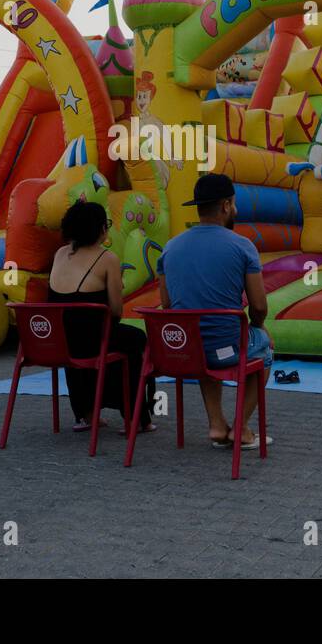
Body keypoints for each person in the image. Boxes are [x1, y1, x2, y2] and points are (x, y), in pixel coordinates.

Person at [157, 173, 272, 449]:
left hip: (182, 350)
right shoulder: (243, 246)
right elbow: (258, 306)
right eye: (234, 204)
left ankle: (217, 425)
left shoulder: (170, 248)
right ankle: (241, 428)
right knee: (264, 348)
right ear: (225, 206)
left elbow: (167, 306)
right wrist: (259, 327)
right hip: (226, 348)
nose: (236, 209)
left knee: (202, 342)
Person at [47, 201, 154, 434]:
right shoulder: (107, 259)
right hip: (94, 341)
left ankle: (85, 414)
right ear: (101, 229)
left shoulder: (59, 254)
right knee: (135, 340)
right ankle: (136, 417)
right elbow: (116, 310)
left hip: (58, 343)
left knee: (79, 331)